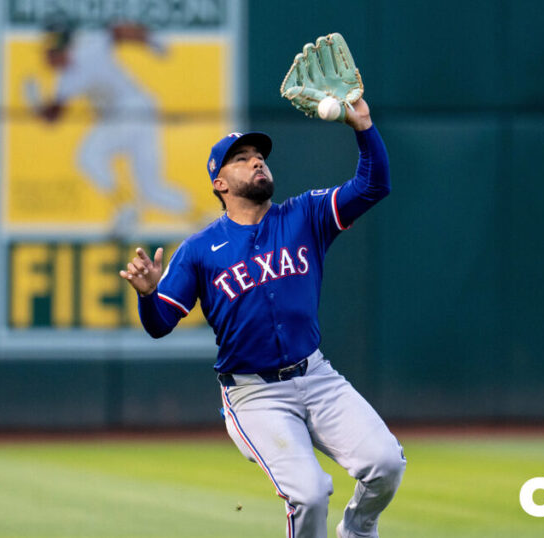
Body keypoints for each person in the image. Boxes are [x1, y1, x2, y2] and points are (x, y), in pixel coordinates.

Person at [119, 98, 405, 538]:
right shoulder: (199, 250)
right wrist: (148, 295)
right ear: (220, 183)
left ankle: (357, 531)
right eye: (241, 159)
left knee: (386, 463)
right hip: (255, 396)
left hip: (317, 377)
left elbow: (373, 186)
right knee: (309, 495)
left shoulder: (304, 215)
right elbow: (159, 324)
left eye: (259, 157)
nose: (256, 162)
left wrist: (364, 126)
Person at [35, 21, 189, 233]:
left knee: (89, 156)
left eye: (50, 53)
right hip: (141, 112)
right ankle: (200, 217)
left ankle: (126, 207)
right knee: (151, 190)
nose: (47, 58)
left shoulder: (88, 49)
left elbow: (118, 31)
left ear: (62, 49)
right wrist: (36, 106)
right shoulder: (66, 78)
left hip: (130, 110)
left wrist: (150, 39)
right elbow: (53, 115)